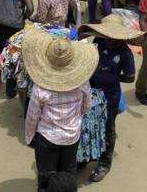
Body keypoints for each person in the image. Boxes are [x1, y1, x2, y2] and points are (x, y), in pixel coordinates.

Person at [23, 31, 99, 192]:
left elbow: (32, 117)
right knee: (68, 174)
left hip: (47, 137)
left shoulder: (40, 88)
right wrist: (72, 121)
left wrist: (30, 137)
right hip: (72, 136)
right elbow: (86, 106)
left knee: (45, 177)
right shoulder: (82, 83)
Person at [83, 14, 141, 183]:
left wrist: (113, 76)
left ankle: (104, 163)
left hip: (110, 97)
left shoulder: (125, 52)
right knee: (88, 125)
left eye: (113, 36)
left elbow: (130, 77)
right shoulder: (98, 42)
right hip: (90, 94)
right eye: (107, 35)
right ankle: (86, 157)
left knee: (108, 129)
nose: (109, 39)